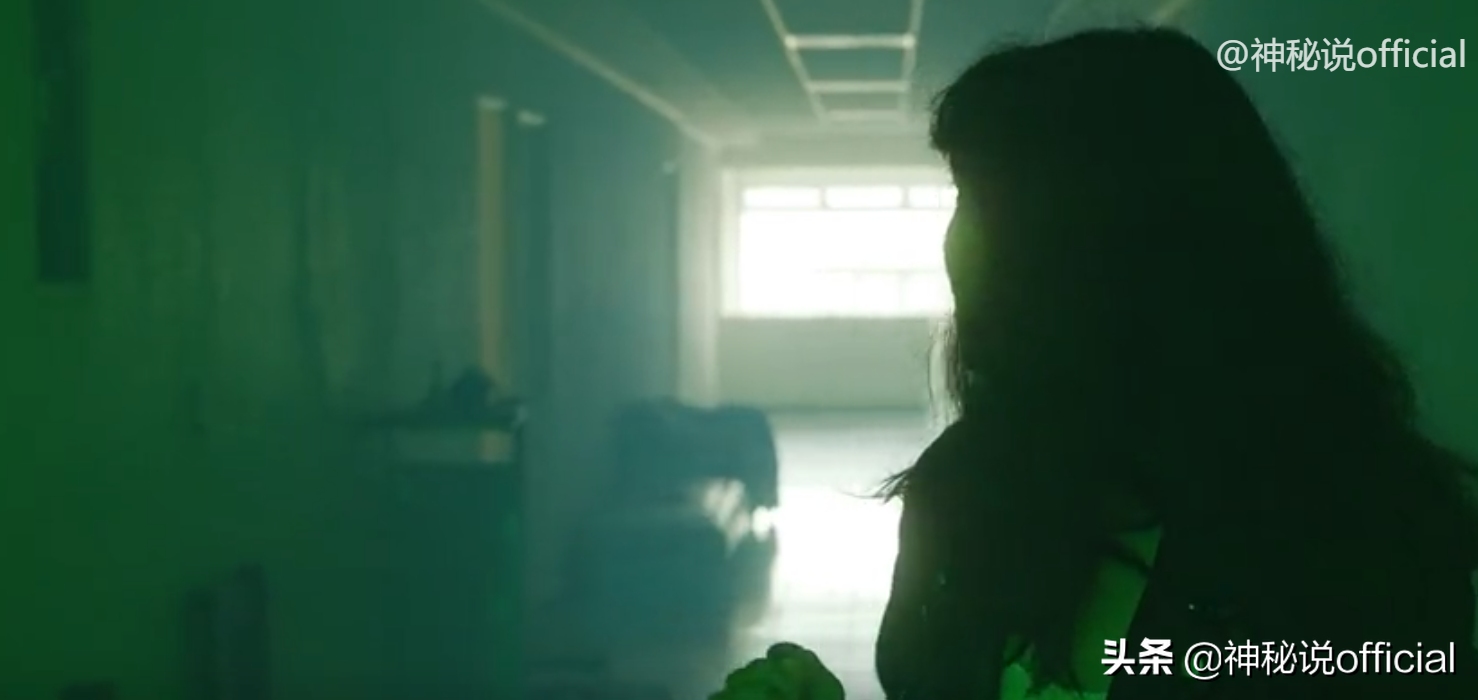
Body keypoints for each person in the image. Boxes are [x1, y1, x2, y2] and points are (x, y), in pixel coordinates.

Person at [709, 27, 1478, 700]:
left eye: (990, 202)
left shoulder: (1372, 541)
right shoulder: (965, 484)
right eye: (960, 196)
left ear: (1127, 243)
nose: (957, 243)